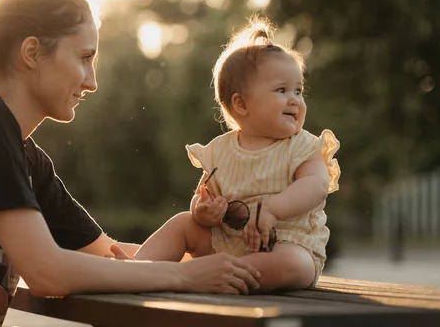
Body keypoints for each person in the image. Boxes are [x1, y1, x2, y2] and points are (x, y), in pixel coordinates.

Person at [0, 0, 260, 327]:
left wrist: (239, 263)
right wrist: (184, 275)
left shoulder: (23, 156)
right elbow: (46, 272)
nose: (92, 81)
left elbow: (113, 257)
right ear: (31, 53)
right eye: (85, 57)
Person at [110, 17, 341, 292]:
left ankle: (193, 276)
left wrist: (272, 210)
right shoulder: (221, 151)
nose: (295, 99)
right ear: (241, 104)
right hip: (227, 245)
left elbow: (316, 186)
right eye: (282, 90)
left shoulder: (304, 146)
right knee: (183, 223)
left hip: (287, 245)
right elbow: (203, 196)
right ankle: (140, 269)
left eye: (299, 90)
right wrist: (203, 212)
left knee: (294, 265)